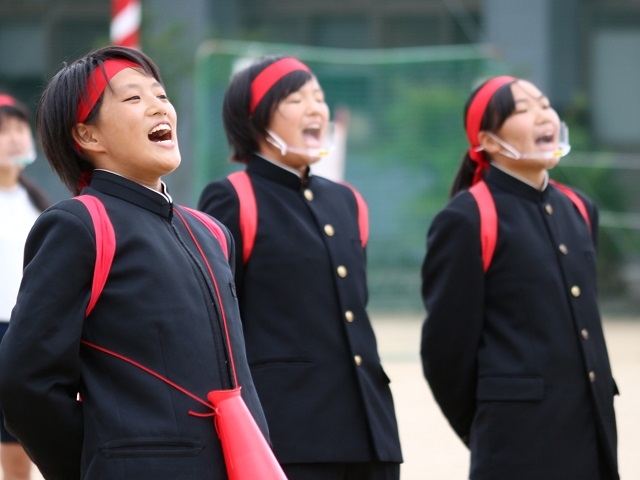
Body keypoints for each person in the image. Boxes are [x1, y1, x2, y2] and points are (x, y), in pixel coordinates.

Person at [0, 46, 269, 480]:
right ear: (88, 136)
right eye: (133, 99)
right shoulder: (80, 224)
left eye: (160, 96)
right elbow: (26, 384)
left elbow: (240, 378)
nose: (158, 107)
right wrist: (102, 462)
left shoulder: (211, 233)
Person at [198, 55, 403, 480]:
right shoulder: (232, 197)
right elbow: (213, 324)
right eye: (296, 98)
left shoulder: (347, 201)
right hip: (289, 434)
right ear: (255, 117)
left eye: (319, 97)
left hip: (371, 432)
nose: (316, 109)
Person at [420, 75, 619, 479]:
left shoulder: (579, 208)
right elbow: (445, 354)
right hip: (518, 448)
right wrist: (493, 425)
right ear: (489, 141)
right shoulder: (468, 217)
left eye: (544, 104)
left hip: (591, 436)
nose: (543, 116)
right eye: (523, 110)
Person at [0, 93, 50, 480]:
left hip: (23, 330)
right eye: (2, 131)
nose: (14, 137)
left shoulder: (37, 202)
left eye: (18, 127)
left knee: (18, 437)